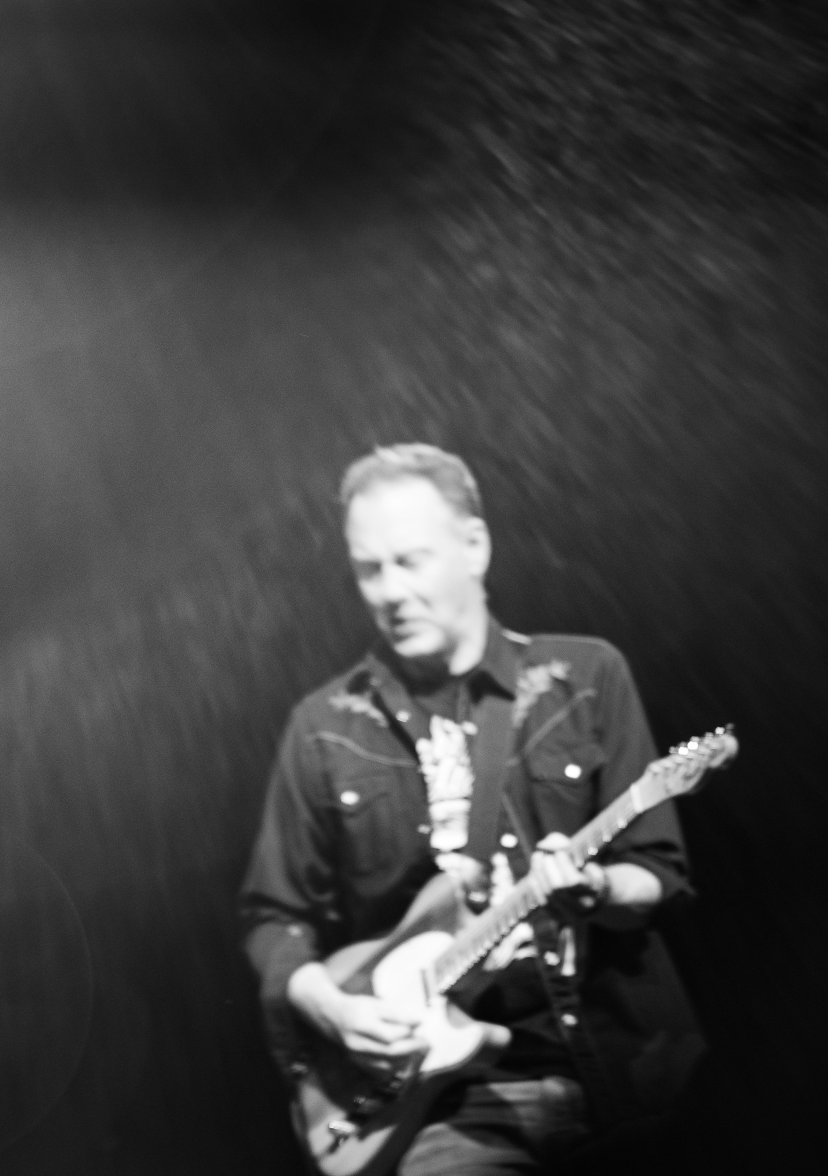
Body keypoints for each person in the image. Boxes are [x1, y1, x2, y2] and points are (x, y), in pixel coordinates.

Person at [241, 444, 704, 1174]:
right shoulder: (323, 727)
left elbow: (656, 869)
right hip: (449, 1106)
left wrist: (597, 887)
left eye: (411, 561)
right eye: (369, 569)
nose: (390, 591)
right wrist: (332, 1007)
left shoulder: (585, 677)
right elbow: (276, 917)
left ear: (475, 546)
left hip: (623, 1067)